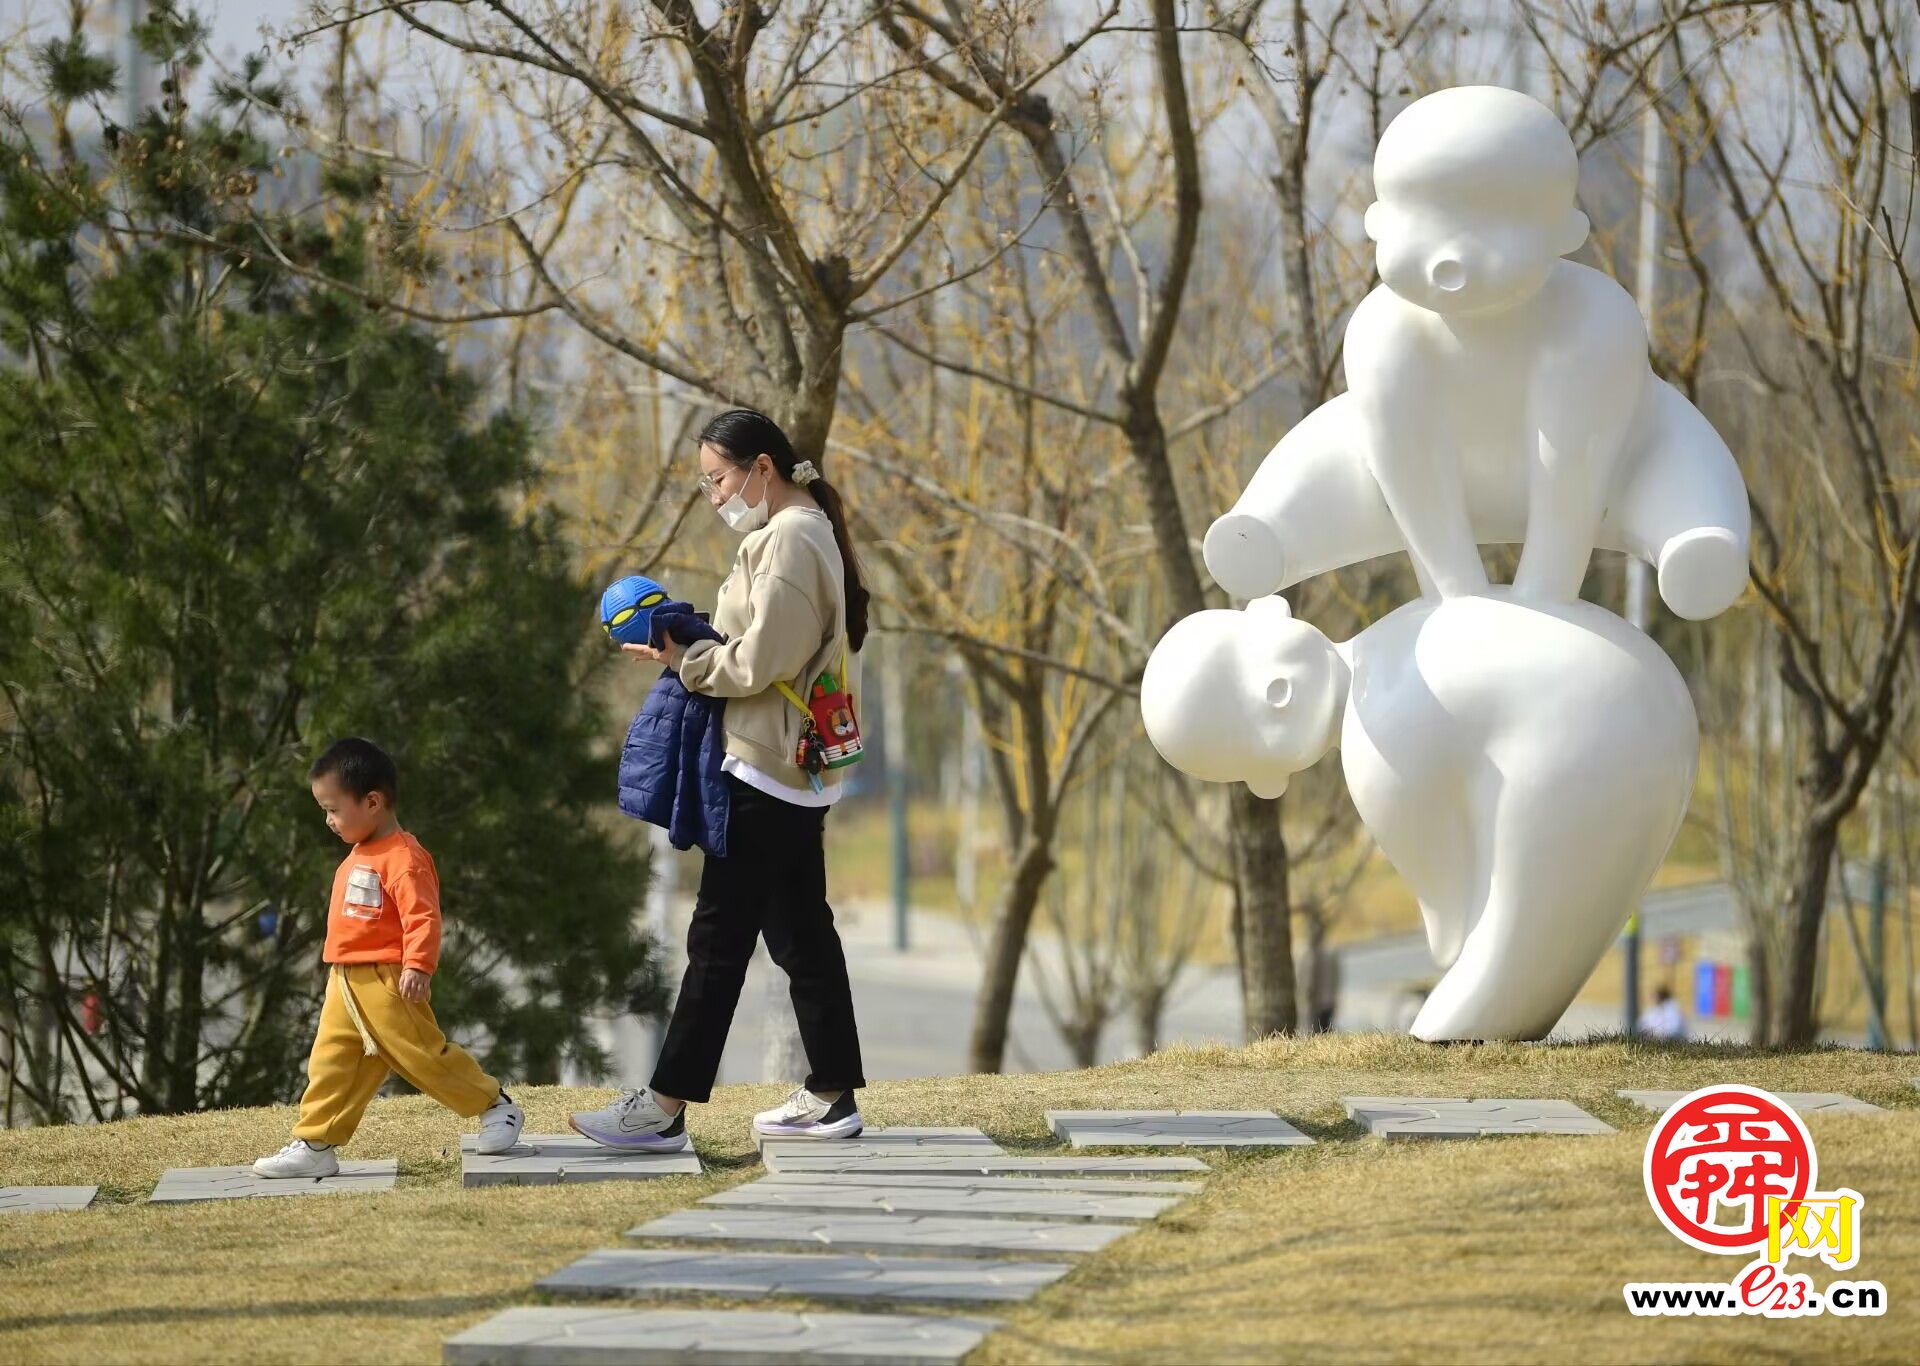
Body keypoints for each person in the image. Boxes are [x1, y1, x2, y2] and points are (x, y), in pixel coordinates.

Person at [571, 408, 870, 1150]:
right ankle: (833, 1094)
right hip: (784, 766)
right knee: (801, 934)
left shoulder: (792, 539)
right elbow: (769, 646)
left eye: (718, 479)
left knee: (717, 939)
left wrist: (686, 661)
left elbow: (759, 660)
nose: (714, 496)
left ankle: (665, 1107)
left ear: (761, 468)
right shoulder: (795, 534)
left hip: (763, 770)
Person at [253, 738, 523, 1177]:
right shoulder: (360, 854)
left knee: (423, 1056)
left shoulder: (404, 858)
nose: (328, 820)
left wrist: (418, 965)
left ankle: (495, 1106)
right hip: (345, 980)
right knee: (331, 1060)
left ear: (373, 801)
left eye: (333, 809)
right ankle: (316, 1141)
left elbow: (423, 917)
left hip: (386, 980)